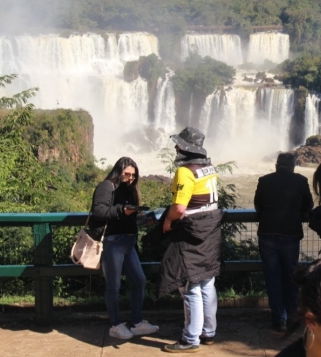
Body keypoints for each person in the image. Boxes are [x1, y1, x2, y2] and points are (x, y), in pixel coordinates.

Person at [160, 127, 223, 353]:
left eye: (179, 144)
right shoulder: (209, 168)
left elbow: (179, 208)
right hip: (210, 230)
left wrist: (168, 220)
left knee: (189, 284)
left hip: (192, 231)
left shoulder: (185, 172)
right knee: (207, 280)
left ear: (186, 148)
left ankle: (190, 339)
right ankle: (208, 331)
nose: (176, 147)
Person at [89, 156, 159, 340]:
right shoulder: (107, 186)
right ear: (118, 171)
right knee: (114, 285)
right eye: (126, 174)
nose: (129, 178)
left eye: (133, 176)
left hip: (128, 243)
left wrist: (145, 219)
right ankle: (115, 325)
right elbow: (99, 211)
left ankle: (136, 323)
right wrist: (121, 210)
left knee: (139, 280)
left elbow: (130, 219)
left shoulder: (129, 190)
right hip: (112, 242)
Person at [254, 152, 313, 333]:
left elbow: (258, 206)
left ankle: (279, 319)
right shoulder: (300, 181)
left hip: (267, 234)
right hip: (290, 234)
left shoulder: (264, 181)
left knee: (272, 277)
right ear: (293, 166)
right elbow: (308, 206)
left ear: (276, 165)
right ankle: (293, 317)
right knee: (291, 277)